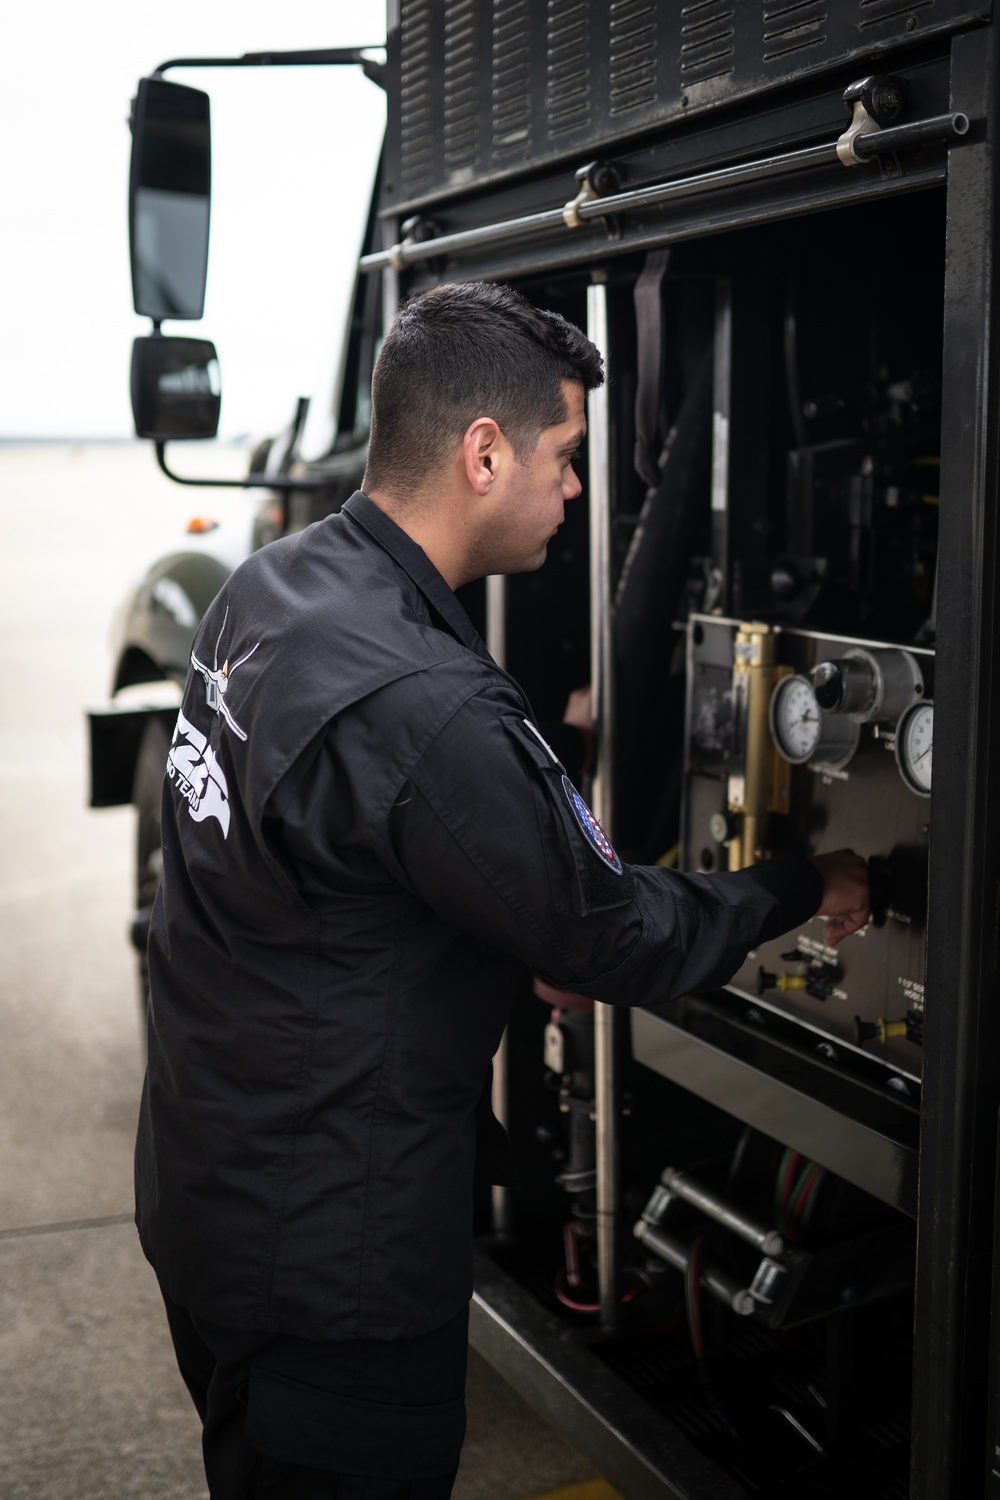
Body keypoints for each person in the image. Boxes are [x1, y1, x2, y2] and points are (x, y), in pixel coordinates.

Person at [136, 281, 870, 1500]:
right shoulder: (434, 710)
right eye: (566, 455)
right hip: (336, 1272)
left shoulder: (269, 588)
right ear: (483, 453)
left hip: (210, 1202)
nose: (575, 491)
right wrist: (797, 882)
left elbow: (325, 862)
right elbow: (615, 937)